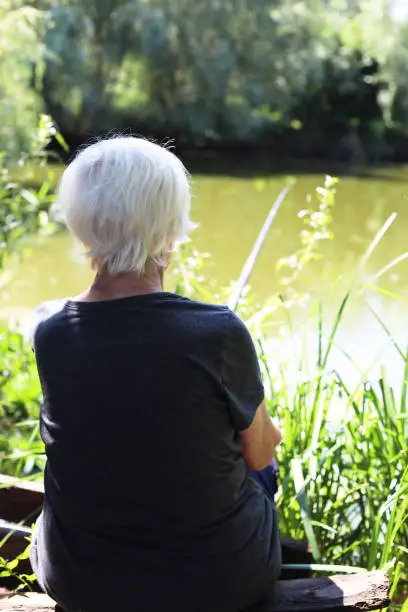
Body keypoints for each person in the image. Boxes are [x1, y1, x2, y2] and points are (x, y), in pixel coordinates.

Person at [29, 137, 282, 612]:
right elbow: (257, 454)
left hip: (83, 583)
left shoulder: (51, 330)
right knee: (268, 467)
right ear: (172, 227)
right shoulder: (218, 330)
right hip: (218, 586)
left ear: (82, 226)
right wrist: (270, 433)